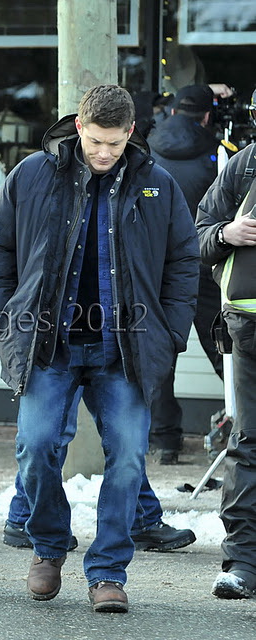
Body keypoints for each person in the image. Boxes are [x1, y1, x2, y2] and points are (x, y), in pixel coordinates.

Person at [0, 85, 200, 613]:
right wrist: (1, 316)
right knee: (35, 449)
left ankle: (108, 573)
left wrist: (170, 332)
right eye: (95, 141)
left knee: (127, 459)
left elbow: (183, 260)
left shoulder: (157, 183)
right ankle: (49, 546)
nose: (104, 153)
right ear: (79, 127)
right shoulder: (31, 174)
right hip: (47, 344)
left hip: (124, 349)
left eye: (114, 144)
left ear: (130, 133)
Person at [3, 386, 196, 553]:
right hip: (60, 355)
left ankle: (140, 518)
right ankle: (25, 517)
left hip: (107, 354)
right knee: (50, 435)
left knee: (124, 440)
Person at [147, 84, 227, 464]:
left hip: (158, 269)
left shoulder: (145, 149)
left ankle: (166, 442)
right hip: (205, 265)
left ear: (174, 111)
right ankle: (248, 425)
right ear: (208, 116)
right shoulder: (220, 154)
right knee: (227, 351)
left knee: (161, 358)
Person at [196, 94, 256, 599]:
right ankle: (243, 563)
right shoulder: (244, 165)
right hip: (250, 323)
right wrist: (227, 233)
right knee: (249, 442)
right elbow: (196, 236)